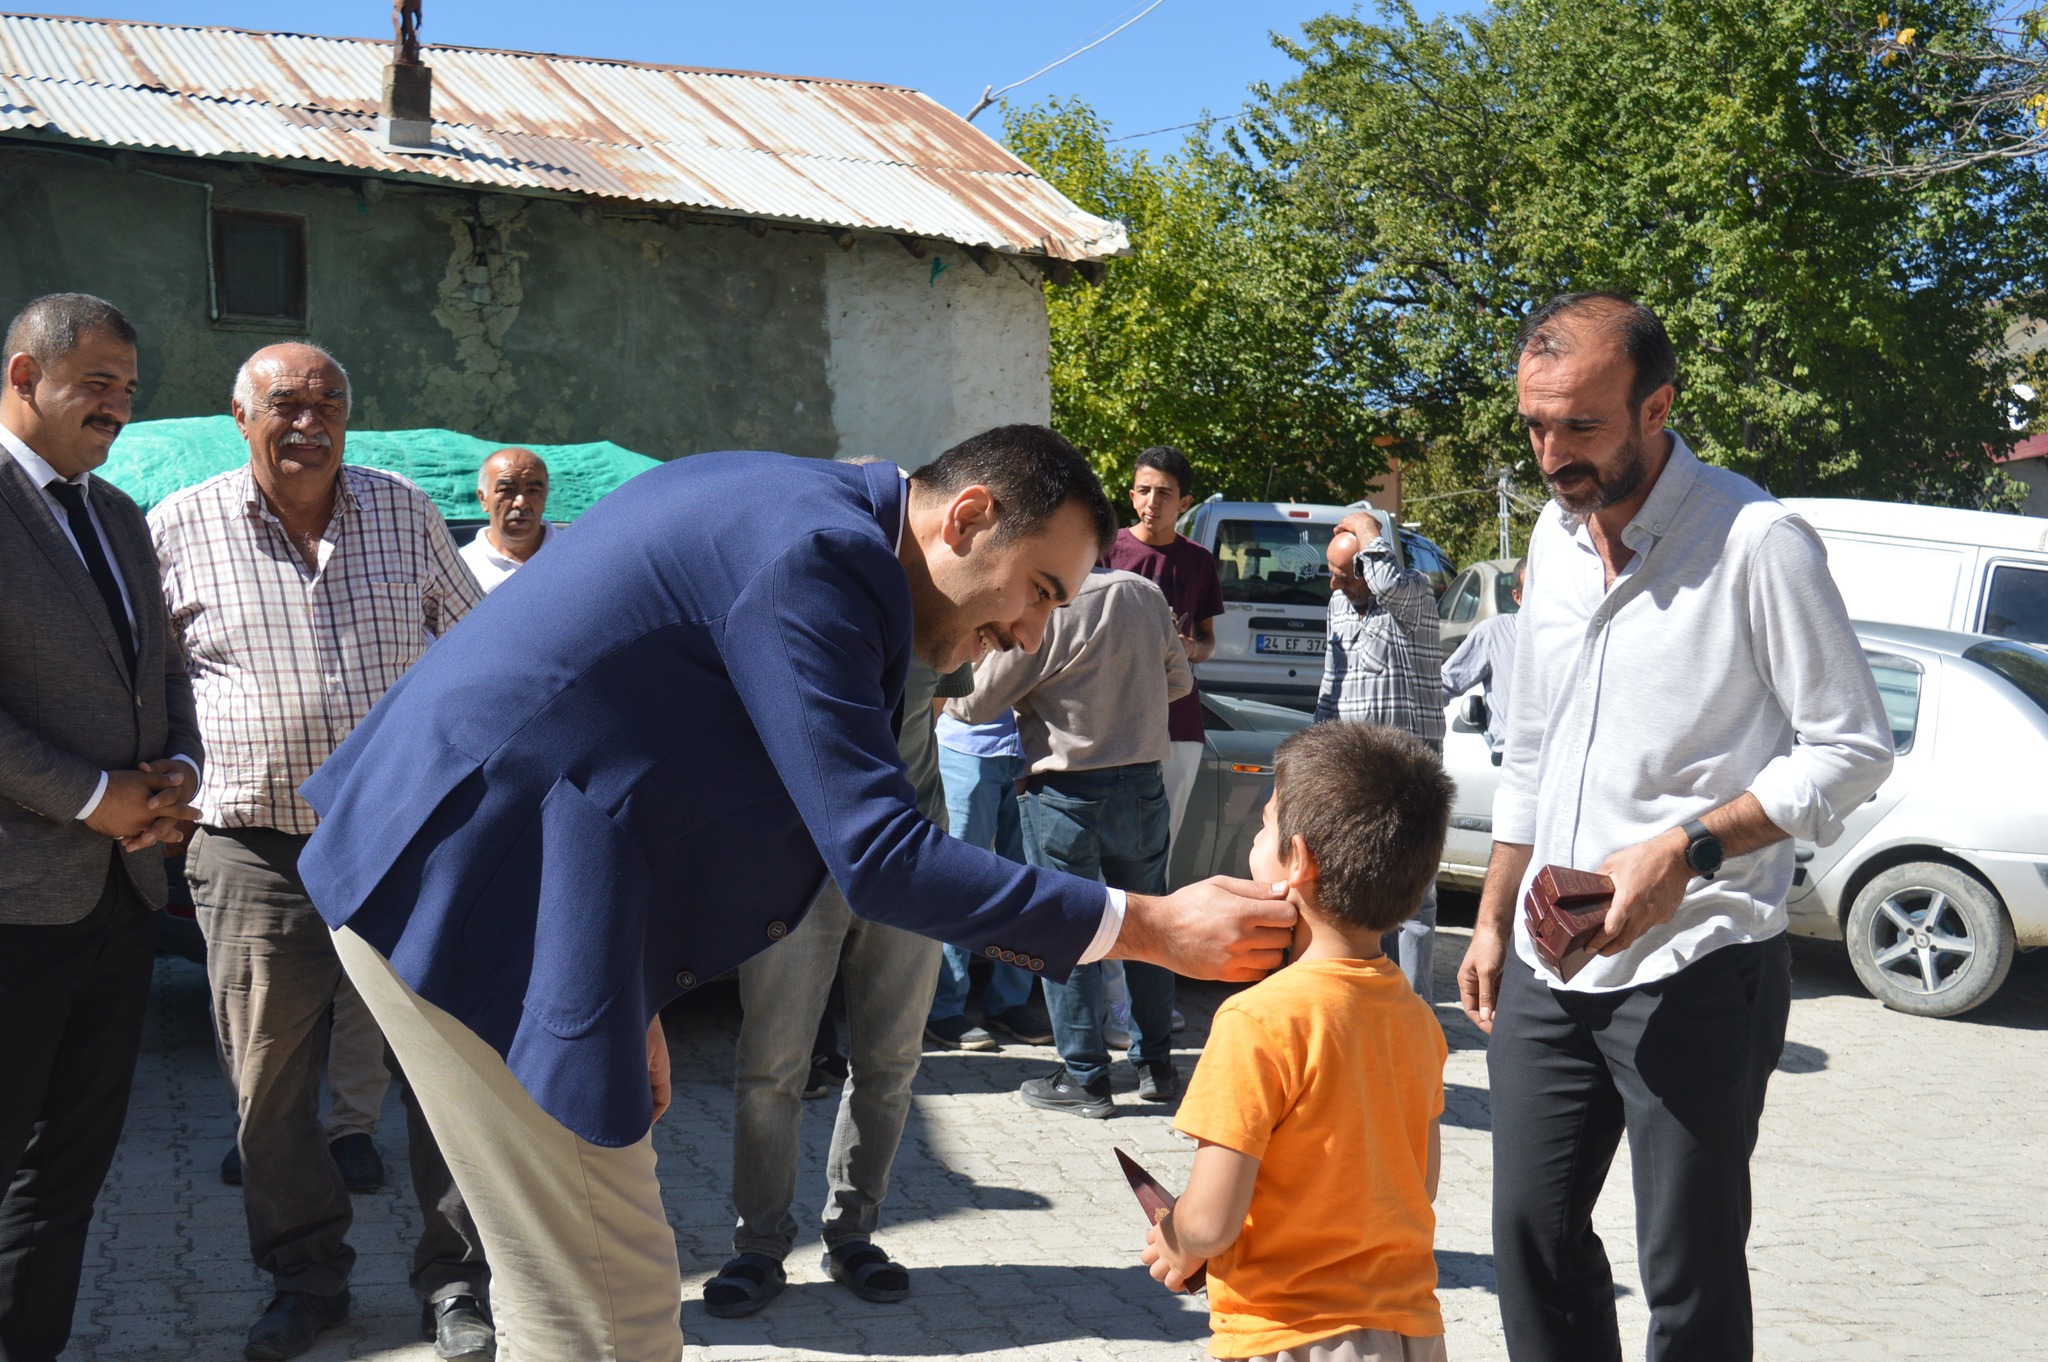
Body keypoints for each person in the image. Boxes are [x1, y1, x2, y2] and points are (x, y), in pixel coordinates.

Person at [294, 425, 1294, 1362]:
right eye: (1036, 590)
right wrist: (1148, 925)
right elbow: (877, 853)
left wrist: (626, 984)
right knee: (611, 1305)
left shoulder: (806, 516)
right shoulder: (820, 557)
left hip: (516, 889)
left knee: (578, 1286)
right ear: (968, 516)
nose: (1027, 635)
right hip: (473, 889)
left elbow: (623, 749)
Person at [1459, 293, 1893, 1362]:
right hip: (1545, 954)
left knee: (1686, 1267)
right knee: (1531, 1236)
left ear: (1657, 406)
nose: (1551, 455)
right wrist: (1486, 918)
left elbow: (1852, 748)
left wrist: (1687, 847)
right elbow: (1531, 746)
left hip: (1699, 963)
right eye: (1532, 426)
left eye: (1580, 427)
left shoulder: (1756, 541)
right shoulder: (1552, 547)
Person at [149, 343, 493, 1362]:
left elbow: (472, 652)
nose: (311, 422)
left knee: (445, 1073)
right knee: (269, 1087)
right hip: (252, 852)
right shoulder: (179, 526)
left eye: (329, 404)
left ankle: (456, 1281)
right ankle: (304, 1280)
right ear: (241, 416)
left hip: (407, 840)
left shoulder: (401, 511)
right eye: (288, 405)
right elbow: (150, 682)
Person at [0, 293, 203, 1362]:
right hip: (15, 905)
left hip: (120, 901)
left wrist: (178, 769)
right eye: (99, 385)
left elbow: (162, 671)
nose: (120, 408)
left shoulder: (119, 515)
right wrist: (90, 795)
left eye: (130, 389)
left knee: (67, 1173)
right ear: (26, 378)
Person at [1144, 721, 1452, 1362]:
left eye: (1263, 826)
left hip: (1292, 1333)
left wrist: (1175, 1237)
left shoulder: (1257, 1021)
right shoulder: (1416, 1018)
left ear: (1298, 860)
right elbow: (1418, 1186)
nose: (1255, 839)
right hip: (1408, 1330)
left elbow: (1210, 1220)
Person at [708, 653, 969, 1317]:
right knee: (772, 1067)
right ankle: (760, 1245)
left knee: (890, 1063)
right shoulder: (799, 606)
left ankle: (853, 1236)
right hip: (795, 866)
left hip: (910, 867)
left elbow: (935, 714)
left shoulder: (934, 615)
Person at [949, 567, 1192, 1119]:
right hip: (1142, 787)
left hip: (1066, 794)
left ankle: (1087, 1078)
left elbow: (971, 703)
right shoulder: (1144, 592)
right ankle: (1156, 1066)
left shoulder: (1049, 605)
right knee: (1149, 928)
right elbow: (1180, 682)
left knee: (1069, 931)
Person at [1315, 516, 1445, 1002]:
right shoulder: (1337, 605)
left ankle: (1413, 1013)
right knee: (1361, 893)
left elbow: (1391, 582)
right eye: (1331, 572)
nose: (1335, 582)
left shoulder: (1412, 597)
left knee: (1414, 899)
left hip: (1411, 770)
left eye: (1345, 573)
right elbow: (1331, 685)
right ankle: (1370, 1006)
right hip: (1356, 771)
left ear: (1371, 566)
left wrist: (1370, 530)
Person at [1099, 445, 1224, 841]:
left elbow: (1208, 642)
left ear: (1184, 502)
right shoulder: (1105, 551)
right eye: (1143, 490)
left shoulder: (1199, 561)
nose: (1152, 502)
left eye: (1164, 492)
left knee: (1160, 842)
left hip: (1178, 720)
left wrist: (1188, 649)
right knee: (1109, 841)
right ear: (1132, 494)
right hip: (1109, 715)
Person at [923, 707, 1051, 1050]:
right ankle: (942, 1009)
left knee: (1029, 885)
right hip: (968, 744)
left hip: (1036, 752)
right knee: (961, 882)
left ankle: (1010, 1002)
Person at [1439, 558, 1525, 763]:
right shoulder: (1493, 635)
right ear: (1517, 597)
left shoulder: (1572, 638)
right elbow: (1442, 686)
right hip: (1511, 760)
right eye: (1533, 590)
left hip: (1560, 763)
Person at [459, 447, 553, 592]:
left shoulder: (578, 555)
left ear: (546, 495)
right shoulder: (461, 569)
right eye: (507, 490)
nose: (520, 503)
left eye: (533, 491)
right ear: (483, 499)